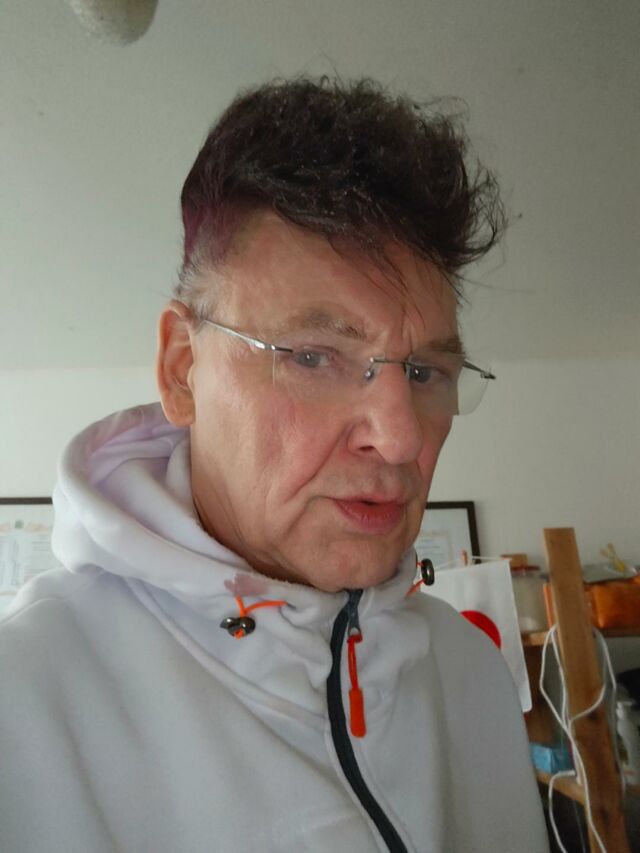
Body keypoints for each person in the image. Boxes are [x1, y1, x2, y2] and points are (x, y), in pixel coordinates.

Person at [0, 78, 549, 852]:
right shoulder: (27, 700)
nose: (399, 439)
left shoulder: (471, 674)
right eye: (316, 356)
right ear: (183, 369)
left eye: (425, 372)